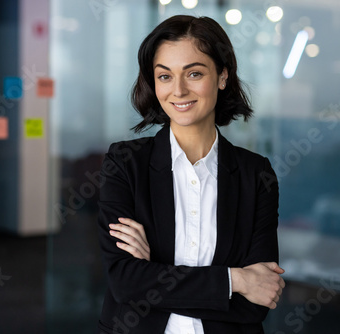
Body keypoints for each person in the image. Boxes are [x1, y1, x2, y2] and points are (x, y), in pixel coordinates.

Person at [97, 15, 285, 334]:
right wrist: (235, 280)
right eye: (165, 76)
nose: (179, 90)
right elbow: (124, 283)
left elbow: (257, 300)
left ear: (222, 76)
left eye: (194, 73)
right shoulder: (125, 163)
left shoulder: (256, 175)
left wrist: (153, 273)